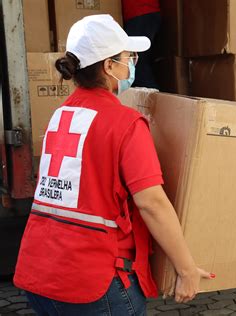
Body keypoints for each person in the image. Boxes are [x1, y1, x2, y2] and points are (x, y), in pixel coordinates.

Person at [13, 14, 213, 315]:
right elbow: (152, 203)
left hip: (41, 272)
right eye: (128, 58)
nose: (132, 64)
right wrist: (185, 269)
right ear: (109, 66)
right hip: (92, 282)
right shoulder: (124, 123)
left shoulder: (61, 115)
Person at [121, 0, 161, 89]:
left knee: (136, 61)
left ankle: (149, 96)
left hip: (141, 13)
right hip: (142, 13)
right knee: (138, 60)